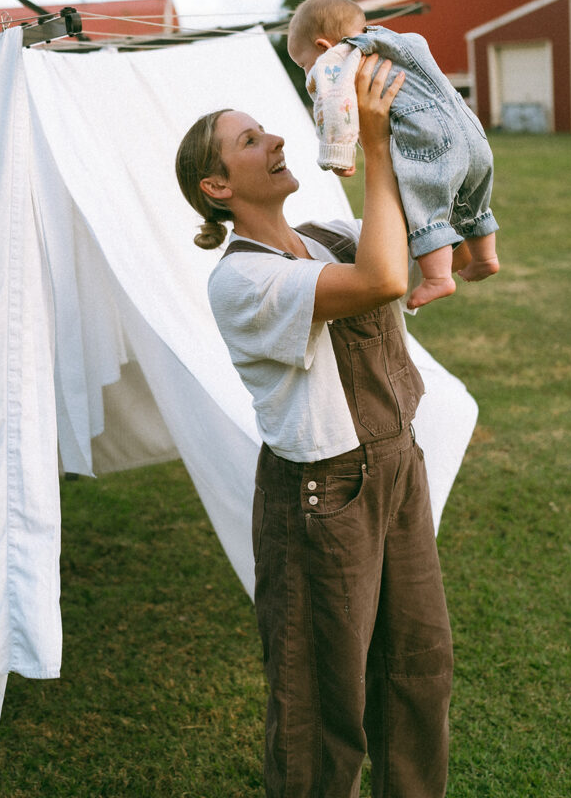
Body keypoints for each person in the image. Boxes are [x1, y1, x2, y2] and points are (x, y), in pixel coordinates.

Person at [175, 54, 454, 798]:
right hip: (324, 495)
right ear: (218, 187)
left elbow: (420, 233)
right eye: (249, 140)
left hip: (397, 464)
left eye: (267, 129)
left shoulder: (326, 232)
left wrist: (408, 117)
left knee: (418, 669)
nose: (273, 140)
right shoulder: (242, 279)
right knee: (319, 700)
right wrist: (367, 148)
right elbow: (383, 278)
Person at [287, 0, 500, 309]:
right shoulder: (401, 41)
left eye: (304, 65)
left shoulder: (335, 59)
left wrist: (339, 153)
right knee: (473, 200)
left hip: (430, 140)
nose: (309, 72)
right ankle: (486, 258)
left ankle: (439, 278)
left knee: (424, 206)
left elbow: (335, 106)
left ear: (323, 46)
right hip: (470, 130)